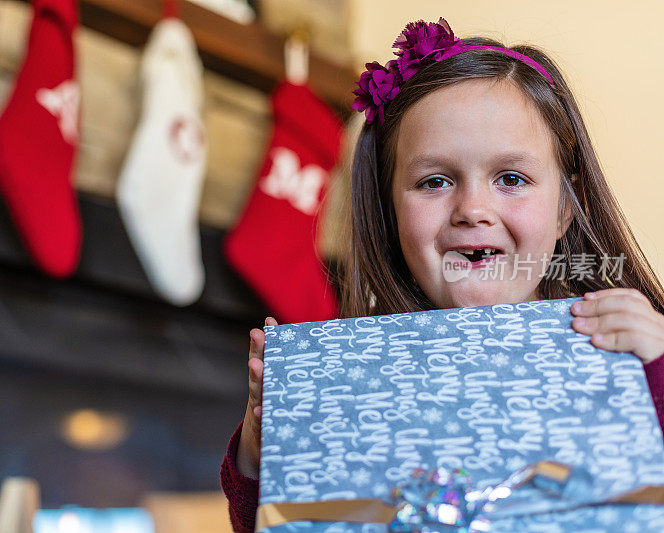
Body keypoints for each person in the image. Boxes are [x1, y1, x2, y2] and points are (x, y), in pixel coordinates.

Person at [219, 17, 664, 533]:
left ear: (568, 208)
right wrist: (263, 455)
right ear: (390, 215)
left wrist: (657, 374)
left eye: (512, 178)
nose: (473, 209)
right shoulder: (357, 384)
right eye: (434, 181)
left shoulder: (631, 349)